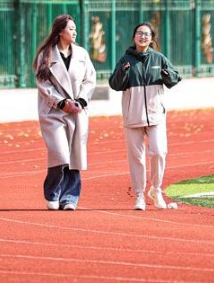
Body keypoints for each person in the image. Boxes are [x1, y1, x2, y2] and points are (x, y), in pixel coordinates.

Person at [108, 22, 181, 210]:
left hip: (156, 114)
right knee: (136, 157)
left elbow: (175, 78)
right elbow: (114, 84)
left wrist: (167, 75)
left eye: (147, 34)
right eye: (139, 33)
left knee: (158, 151)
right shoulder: (126, 59)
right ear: (134, 37)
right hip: (133, 116)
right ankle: (139, 195)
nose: (143, 37)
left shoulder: (158, 58)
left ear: (152, 38)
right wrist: (122, 72)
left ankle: (156, 190)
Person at [33, 14, 96, 211]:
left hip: (77, 111)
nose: (74, 32)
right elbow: (43, 85)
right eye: (71, 28)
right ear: (60, 31)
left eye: (75, 28)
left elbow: (90, 79)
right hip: (54, 112)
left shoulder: (82, 54)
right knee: (60, 154)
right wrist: (61, 103)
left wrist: (81, 100)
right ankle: (52, 191)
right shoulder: (47, 55)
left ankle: (70, 197)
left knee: (75, 156)